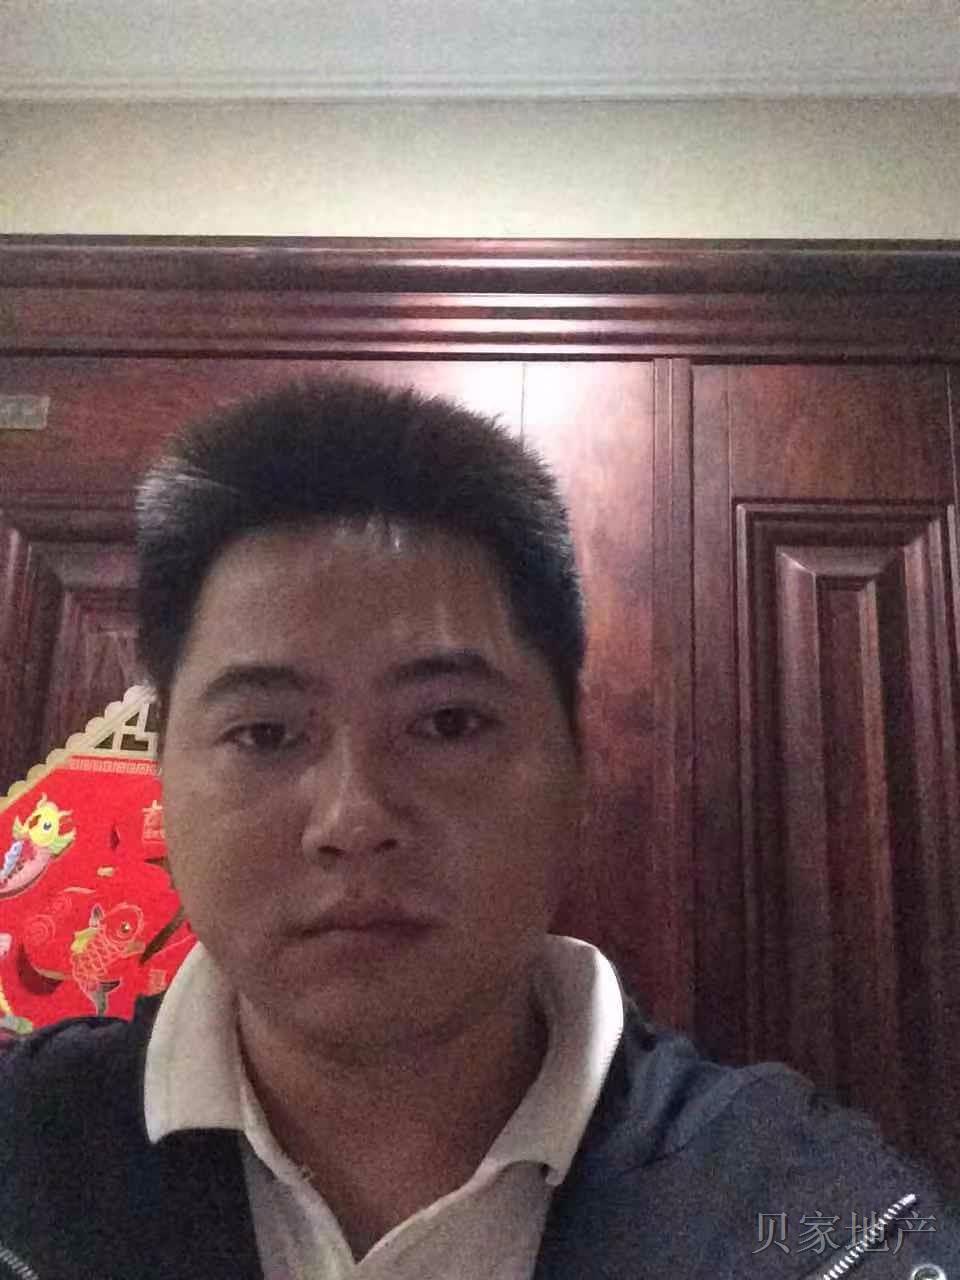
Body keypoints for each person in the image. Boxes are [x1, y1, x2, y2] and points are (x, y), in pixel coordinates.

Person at [0, 376, 955, 1280]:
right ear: (162, 773)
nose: (352, 821)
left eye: (449, 723)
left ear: (578, 765)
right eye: (264, 733)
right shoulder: (25, 1167)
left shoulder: (818, 1223)